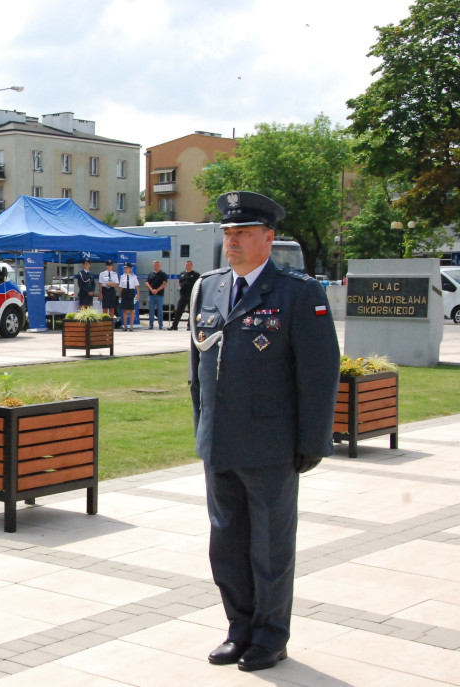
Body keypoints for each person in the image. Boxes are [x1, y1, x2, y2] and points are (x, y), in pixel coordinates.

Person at [190, 191, 339, 673]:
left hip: (271, 446)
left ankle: (271, 638)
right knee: (226, 545)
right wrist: (203, 430)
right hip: (221, 443)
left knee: (270, 549)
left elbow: (319, 374)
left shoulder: (297, 292)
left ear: (268, 238)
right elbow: (198, 369)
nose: (231, 242)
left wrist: (312, 442)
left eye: (243, 234)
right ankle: (239, 629)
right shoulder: (207, 289)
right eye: (228, 234)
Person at [168, 260, 200, 331]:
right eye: (186, 265)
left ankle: (189, 326)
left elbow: (198, 283)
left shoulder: (195, 274)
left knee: (191, 311)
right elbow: (180, 283)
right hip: (183, 295)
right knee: (179, 310)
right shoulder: (182, 274)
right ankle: (174, 326)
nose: (187, 266)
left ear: (191, 266)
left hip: (191, 295)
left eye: (189, 265)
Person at [145, 260, 167, 329]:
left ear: (159, 265)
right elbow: (147, 283)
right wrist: (152, 290)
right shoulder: (150, 274)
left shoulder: (163, 274)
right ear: (153, 266)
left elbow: (164, 284)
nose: (156, 266)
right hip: (151, 295)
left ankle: (161, 325)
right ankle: (151, 325)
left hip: (160, 295)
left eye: (157, 265)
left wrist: (157, 290)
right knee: (151, 311)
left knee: (160, 310)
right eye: (155, 265)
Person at [117, 262, 139, 331]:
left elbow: (137, 286)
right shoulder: (122, 277)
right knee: (124, 310)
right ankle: (125, 326)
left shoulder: (134, 276)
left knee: (132, 309)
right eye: (124, 268)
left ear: (130, 269)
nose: (125, 269)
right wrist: (119, 296)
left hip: (131, 292)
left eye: (126, 268)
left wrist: (138, 294)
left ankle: (131, 326)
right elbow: (120, 287)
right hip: (125, 292)